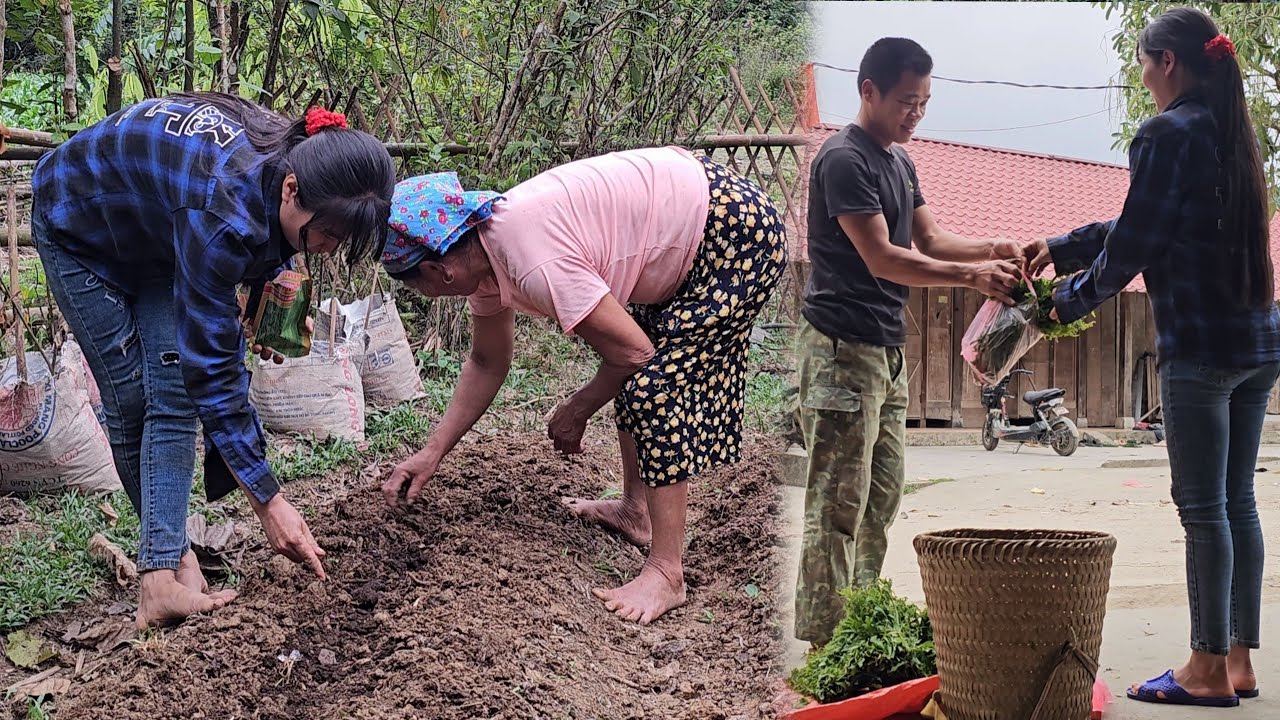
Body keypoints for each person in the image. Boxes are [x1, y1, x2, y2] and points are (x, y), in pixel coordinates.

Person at [29, 93, 396, 628]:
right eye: (329, 235)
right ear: (292, 189)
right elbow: (216, 374)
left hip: (156, 230)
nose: (329, 249)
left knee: (172, 391)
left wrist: (274, 288)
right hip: (79, 225)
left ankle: (165, 564)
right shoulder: (220, 206)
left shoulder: (294, 155)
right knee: (132, 397)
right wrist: (269, 501)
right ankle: (163, 576)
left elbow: (269, 239)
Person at [379, 147, 785, 624]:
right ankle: (637, 512)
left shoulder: (532, 261)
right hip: (695, 222)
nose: (423, 294)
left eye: (414, 286)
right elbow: (488, 361)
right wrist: (432, 452)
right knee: (640, 374)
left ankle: (667, 572)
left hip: (735, 233)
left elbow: (634, 354)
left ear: (437, 271)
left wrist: (577, 409)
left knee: (652, 387)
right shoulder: (485, 255)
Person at [1023, 8, 1279, 708]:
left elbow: (1136, 242)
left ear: (1167, 61)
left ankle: (1202, 671)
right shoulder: (1229, 130)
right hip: (1257, 342)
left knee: (1204, 510)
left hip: (1201, 346)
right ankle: (1238, 661)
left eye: (1141, 63)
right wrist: (1064, 244)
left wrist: (1059, 305)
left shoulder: (1166, 132)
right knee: (1235, 503)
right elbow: (1148, 218)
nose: (1141, 76)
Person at [792, 36, 1026, 648]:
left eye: (924, 102)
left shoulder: (900, 161)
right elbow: (883, 257)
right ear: (867, 90)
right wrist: (972, 276)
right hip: (841, 350)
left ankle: (859, 624)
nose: (915, 114)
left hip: (887, 353)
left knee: (881, 496)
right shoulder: (844, 158)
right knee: (837, 502)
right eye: (905, 101)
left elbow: (931, 240)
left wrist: (993, 248)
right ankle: (825, 641)